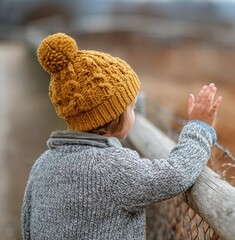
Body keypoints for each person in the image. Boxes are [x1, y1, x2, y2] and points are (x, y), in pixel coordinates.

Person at [21, 33, 222, 239]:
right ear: (114, 115)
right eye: (132, 108)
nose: (134, 115)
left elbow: (28, 227)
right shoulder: (115, 168)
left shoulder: (42, 165)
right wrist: (198, 128)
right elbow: (175, 174)